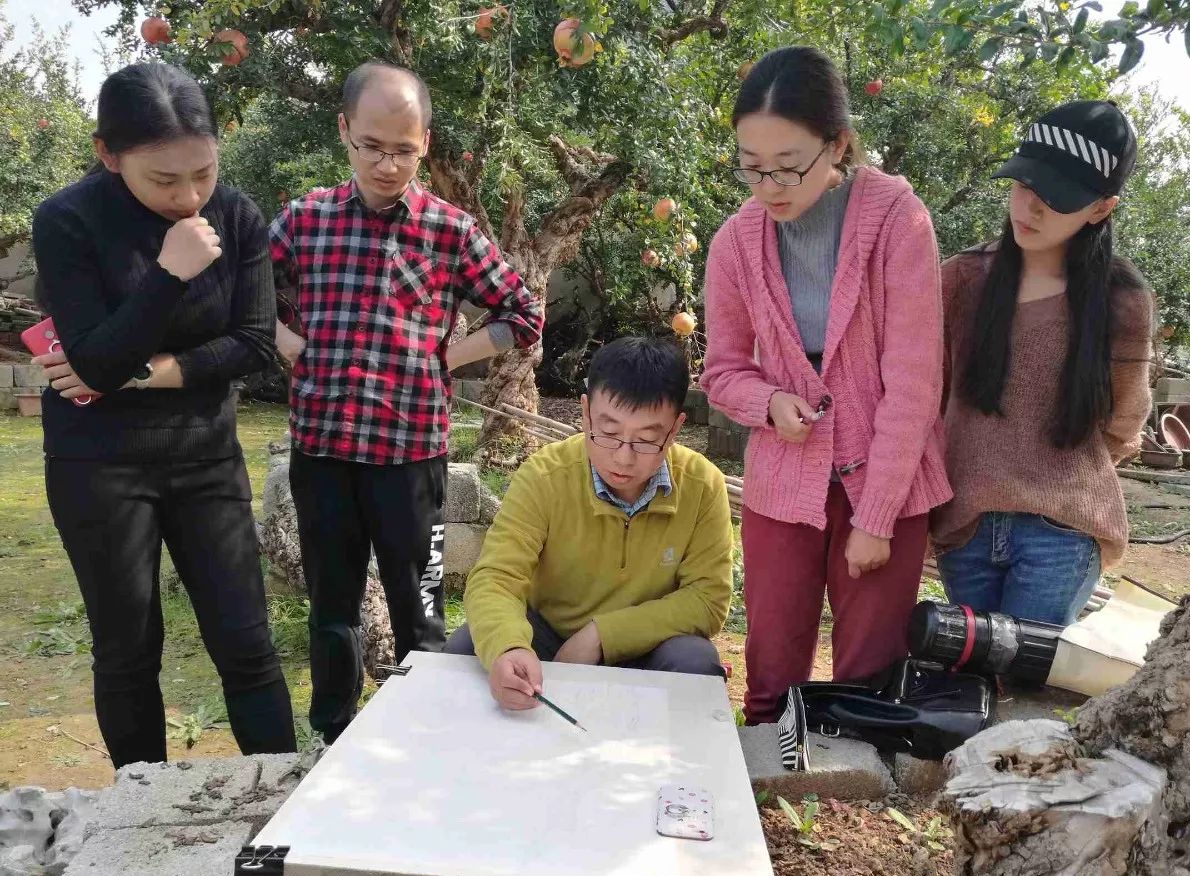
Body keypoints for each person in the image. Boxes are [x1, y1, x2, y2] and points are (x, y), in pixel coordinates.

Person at [29, 63, 296, 768]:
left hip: (206, 456)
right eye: (164, 180)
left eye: (202, 173)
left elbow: (255, 344)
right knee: (127, 648)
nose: (189, 196)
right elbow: (94, 359)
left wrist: (148, 375)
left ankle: (282, 807)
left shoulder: (235, 215)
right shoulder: (67, 220)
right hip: (99, 466)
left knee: (246, 642)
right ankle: (136, 817)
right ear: (108, 156)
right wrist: (170, 273)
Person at [270, 62, 543, 742]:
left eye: (405, 150)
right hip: (323, 452)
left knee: (419, 604)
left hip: (409, 456)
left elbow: (523, 311)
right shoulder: (304, 221)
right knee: (332, 609)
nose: (387, 164)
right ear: (344, 132)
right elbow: (234, 293)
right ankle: (333, 735)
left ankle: (429, 737)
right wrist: (286, 341)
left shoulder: (450, 231)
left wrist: (448, 356)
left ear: (426, 142)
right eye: (372, 146)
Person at [701, 46, 951, 724]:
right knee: (772, 666)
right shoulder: (735, 243)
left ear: (837, 143)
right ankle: (761, 804)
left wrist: (876, 518)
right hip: (784, 483)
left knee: (869, 672)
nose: (770, 187)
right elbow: (721, 370)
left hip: (888, 481)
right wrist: (767, 401)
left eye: (788, 167)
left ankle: (848, 795)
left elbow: (914, 381)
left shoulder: (897, 218)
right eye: (752, 169)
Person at [932, 101, 1154, 627]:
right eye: (1023, 186)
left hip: (1064, 535)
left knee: (1024, 693)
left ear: (1101, 208)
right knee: (971, 687)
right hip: (965, 529)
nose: (1029, 208)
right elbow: (924, 396)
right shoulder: (961, 280)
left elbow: (1125, 421)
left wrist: (1046, 474)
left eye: (1054, 199)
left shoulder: (1121, 300)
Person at [446, 337, 732, 709]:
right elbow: (496, 577)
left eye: (647, 439)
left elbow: (708, 600)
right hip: (547, 639)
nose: (623, 458)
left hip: (649, 644)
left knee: (694, 663)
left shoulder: (701, 485)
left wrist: (601, 635)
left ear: (675, 429)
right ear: (585, 413)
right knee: (466, 650)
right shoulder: (545, 476)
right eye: (609, 433)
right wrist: (509, 645)